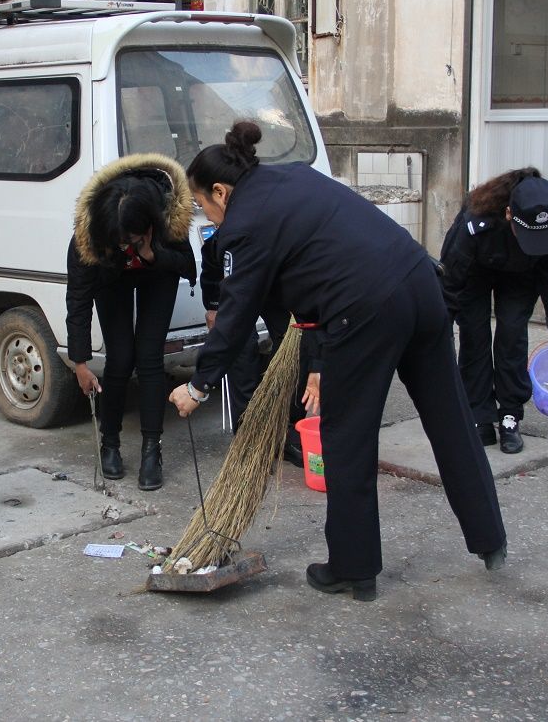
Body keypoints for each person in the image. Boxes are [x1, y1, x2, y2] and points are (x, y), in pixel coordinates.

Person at [169, 121, 506, 602]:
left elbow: (236, 315)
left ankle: (353, 567)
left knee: (347, 438)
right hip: (420, 284)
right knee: (451, 418)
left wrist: (199, 385)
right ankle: (490, 538)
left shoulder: (244, 224)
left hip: (367, 311)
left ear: (220, 192)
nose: (208, 215)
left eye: (204, 204)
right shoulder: (294, 175)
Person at [66, 154, 198, 491]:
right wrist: (79, 362)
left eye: (134, 240)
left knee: (149, 357)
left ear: (150, 225)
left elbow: (188, 267)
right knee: (121, 358)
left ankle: (152, 450)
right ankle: (109, 443)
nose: (127, 246)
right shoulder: (90, 238)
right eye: (120, 242)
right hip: (112, 279)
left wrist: (153, 254)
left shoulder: (165, 217)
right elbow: (78, 299)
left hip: (158, 275)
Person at [439, 167, 548, 455]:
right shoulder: (476, 220)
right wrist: (442, 327)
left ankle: (510, 415)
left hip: (523, 272)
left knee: (512, 334)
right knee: (474, 334)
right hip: (475, 271)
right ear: (509, 214)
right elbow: (451, 275)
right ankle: (479, 415)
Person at [199, 234, 318, 465]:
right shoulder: (228, 235)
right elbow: (212, 259)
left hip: (274, 285)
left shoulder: (278, 228)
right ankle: (249, 436)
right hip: (238, 286)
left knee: (297, 344)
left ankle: (287, 429)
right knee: (242, 350)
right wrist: (214, 305)